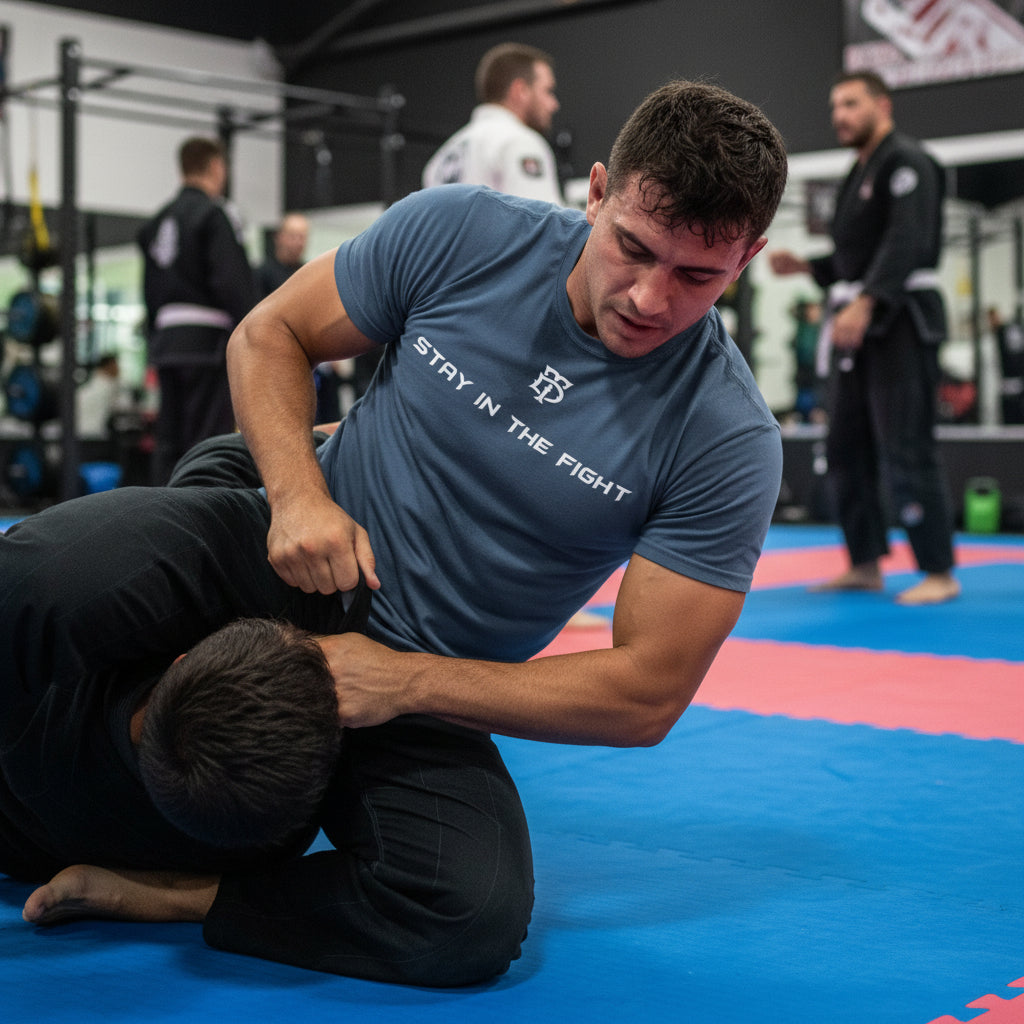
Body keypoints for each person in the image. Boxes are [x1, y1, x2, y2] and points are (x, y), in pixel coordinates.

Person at [27, 80, 788, 987]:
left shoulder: (727, 436)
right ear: (595, 191)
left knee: (466, 914)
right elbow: (270, 333)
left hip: (418, 673)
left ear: (748, 261)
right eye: (633, 247)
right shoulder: (468, 233)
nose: (650, 297)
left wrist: (408, 681)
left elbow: (646, 694)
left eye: (697, 276)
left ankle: (188, 896)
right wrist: (301, 496)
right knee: (39, 577)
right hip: (286, 547)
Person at [3, 431, 531, 987]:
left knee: (217, 482)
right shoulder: (263, 830)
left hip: (28, 824)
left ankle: (316, 443)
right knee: (470, 914)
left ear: (182, 653)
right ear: (329, 778)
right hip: (69, 830)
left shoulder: (53, 607)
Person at [769, 70, 959, 605]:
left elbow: (906, 242)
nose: (840, 116)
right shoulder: (858, 172)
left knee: (906, 443)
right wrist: (806, 265)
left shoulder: (906, 162)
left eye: (851, 104)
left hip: (898, 320)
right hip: (859, 319)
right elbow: (856, 256)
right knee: (845, 445)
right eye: (835, 106)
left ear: (882, 104)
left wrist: (868, 299)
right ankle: (865, 561)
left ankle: (939, 569)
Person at [138, 137, 257, 485]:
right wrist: (253, 330)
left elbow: (149, 291)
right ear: (216, 166)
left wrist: (154, 340)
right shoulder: (212, 215)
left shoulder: (157, 221)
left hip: (167, 343)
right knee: (204, 440)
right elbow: (231, 282)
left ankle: (160, 514)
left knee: (169, 437)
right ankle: (197, 517)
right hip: (205, 344)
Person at [421, 42, 564, 204]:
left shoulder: (441, 158)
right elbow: (541, 223)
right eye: (547, 91)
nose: (554, 104)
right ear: (520, 90)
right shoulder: (518, 141)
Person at [254, 212, 310, 298]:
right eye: (292, 236)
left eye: (301, 237)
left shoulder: (308, 272)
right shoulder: (262, 274)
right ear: (279, 237)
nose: (298, 243)